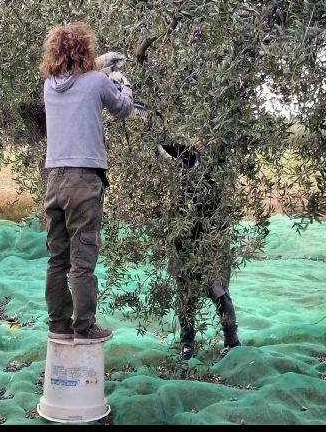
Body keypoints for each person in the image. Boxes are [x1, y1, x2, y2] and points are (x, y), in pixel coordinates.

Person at [40, 22, 134, 344]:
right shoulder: (97, 82)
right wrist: (122, 82)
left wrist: (102, 63)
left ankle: (58, 323)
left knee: (58, 258)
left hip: (54, 180)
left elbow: (77, 78)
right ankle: (85, 328)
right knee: (83, 259)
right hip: (84, 180)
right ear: (86, 49)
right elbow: (123, 109)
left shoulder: (50, 85)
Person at [156, 140, 242, 363]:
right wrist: (155, 134)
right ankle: (187, 344)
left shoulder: (213, 171)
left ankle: (232, 342)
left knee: (219, 292)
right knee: (185, 296)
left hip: (211, 245)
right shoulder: (181, 170)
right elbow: (166, 146)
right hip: (183, 243)